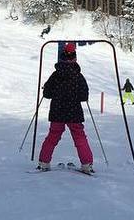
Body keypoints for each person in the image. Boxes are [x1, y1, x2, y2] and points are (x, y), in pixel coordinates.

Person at [38, 43, 94, 173]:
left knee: (52, 136)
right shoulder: (78, 76)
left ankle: (44, 162)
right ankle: (87, 164)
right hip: (74, 111)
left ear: (62, 58)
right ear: (74, 59)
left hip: (57, 111)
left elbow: (47, 94)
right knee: (79, 137)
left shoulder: (55, 75)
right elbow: (84, 96)